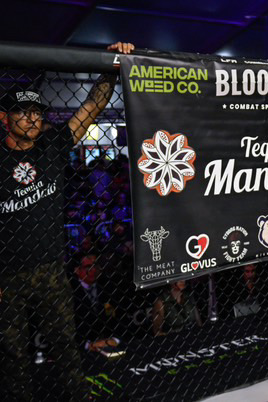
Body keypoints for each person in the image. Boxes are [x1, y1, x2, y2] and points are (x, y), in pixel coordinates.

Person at [0, 41, 134, 401]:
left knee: (65, 344)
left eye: (36, 112)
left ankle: (77, 396)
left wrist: (110, 67)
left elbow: (92, 107)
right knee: (13, 356)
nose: (31, 118)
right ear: (4, 117)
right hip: (6, 275)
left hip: (50, 270)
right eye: (21, 111)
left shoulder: (53, 146)